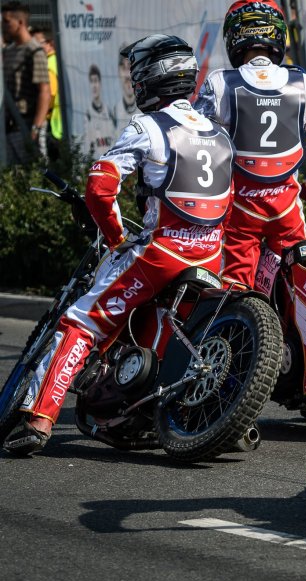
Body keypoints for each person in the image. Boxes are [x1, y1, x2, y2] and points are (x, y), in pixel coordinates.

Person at [3, 35, 235, 456]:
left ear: (151, 78)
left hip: (162, 253)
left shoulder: (148, 127)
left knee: (81, 322)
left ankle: (39, 418)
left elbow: (100, 187)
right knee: (164, 330)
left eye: (137, 74)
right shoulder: (220, 134)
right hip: (211, 254)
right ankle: (134, 411)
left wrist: (116, 240)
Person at [194, 0, 306, 290]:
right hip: (287, 207)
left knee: (234, 285)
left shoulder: (221, 82)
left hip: (239, 208)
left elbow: (195, 142)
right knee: (301, 280)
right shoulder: (302, 82)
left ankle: (244, 328)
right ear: (278, 35)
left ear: (233, 37)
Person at [1, 1, 50, 163]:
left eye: (7, 22)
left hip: (27, 125)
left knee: (34, 174)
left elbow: (44, 91)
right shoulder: (9, 50)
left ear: (20, 22)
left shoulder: (34, 51)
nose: (3, 26)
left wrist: (35, 128)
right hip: (9, 126)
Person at [30, 27, 62, 152]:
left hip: (54, 123)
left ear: (50, 44)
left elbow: (50, 94)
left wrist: (42, 114)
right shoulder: (58, 60)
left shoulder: (48, 64)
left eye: (38, 43)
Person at [81, 64, 117, 158]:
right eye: (91, 82)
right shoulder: (87, 115)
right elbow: (87, 148)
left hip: (110, 164)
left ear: (100, 83)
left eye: (96, 81)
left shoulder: (109, 113)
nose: (94, 86)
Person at [113, 44, 139, 128]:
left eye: (129, 67)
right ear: (118, 71)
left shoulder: (146, 108)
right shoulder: (115, 112)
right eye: (123, 68)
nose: (127, 75)